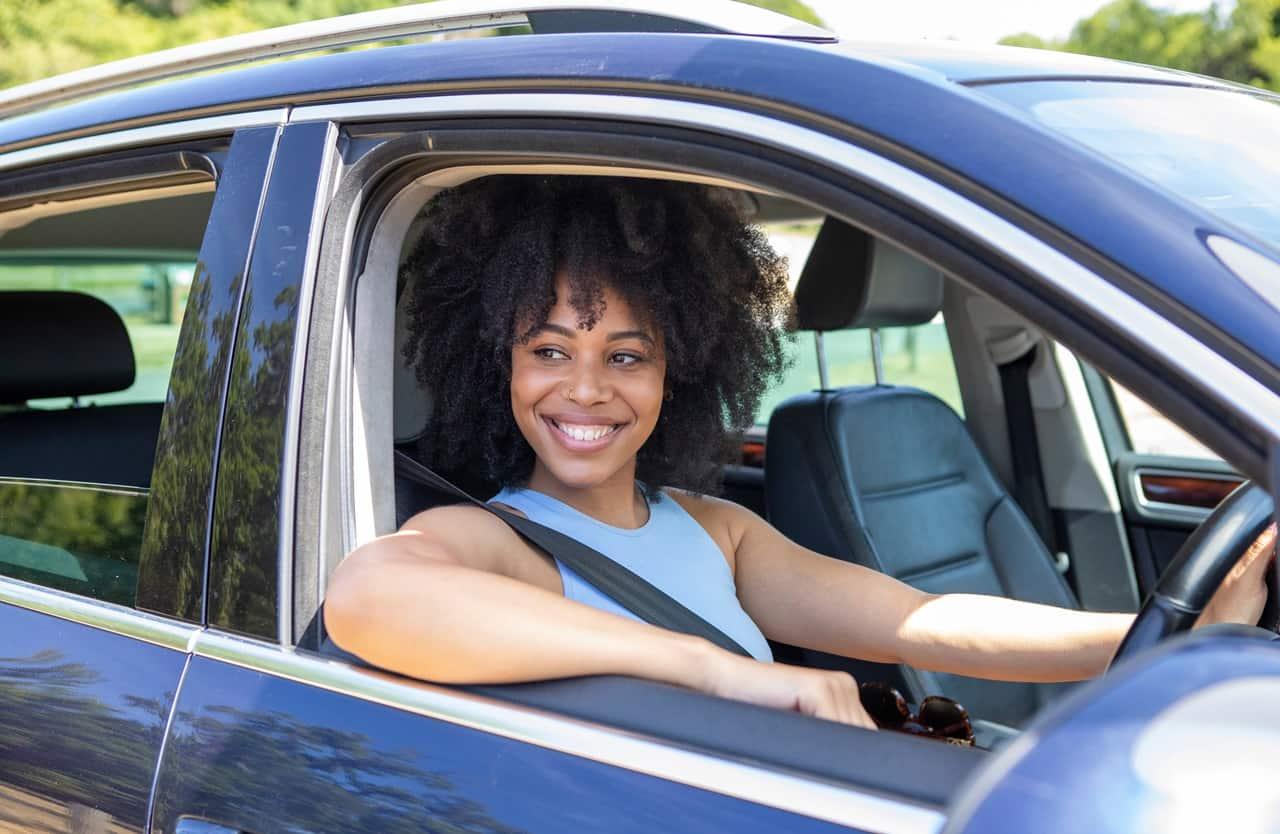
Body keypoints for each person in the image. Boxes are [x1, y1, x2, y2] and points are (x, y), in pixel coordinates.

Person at [324, 175, 1276, 729]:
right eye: (549, 352)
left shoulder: (719, 530)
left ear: (679, 371)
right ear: (501, 366)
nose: (585, 390)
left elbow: (924, 624)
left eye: (627, 355)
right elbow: (368, 599)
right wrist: (723, 671)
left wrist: (1155, 637)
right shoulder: (494, 541)